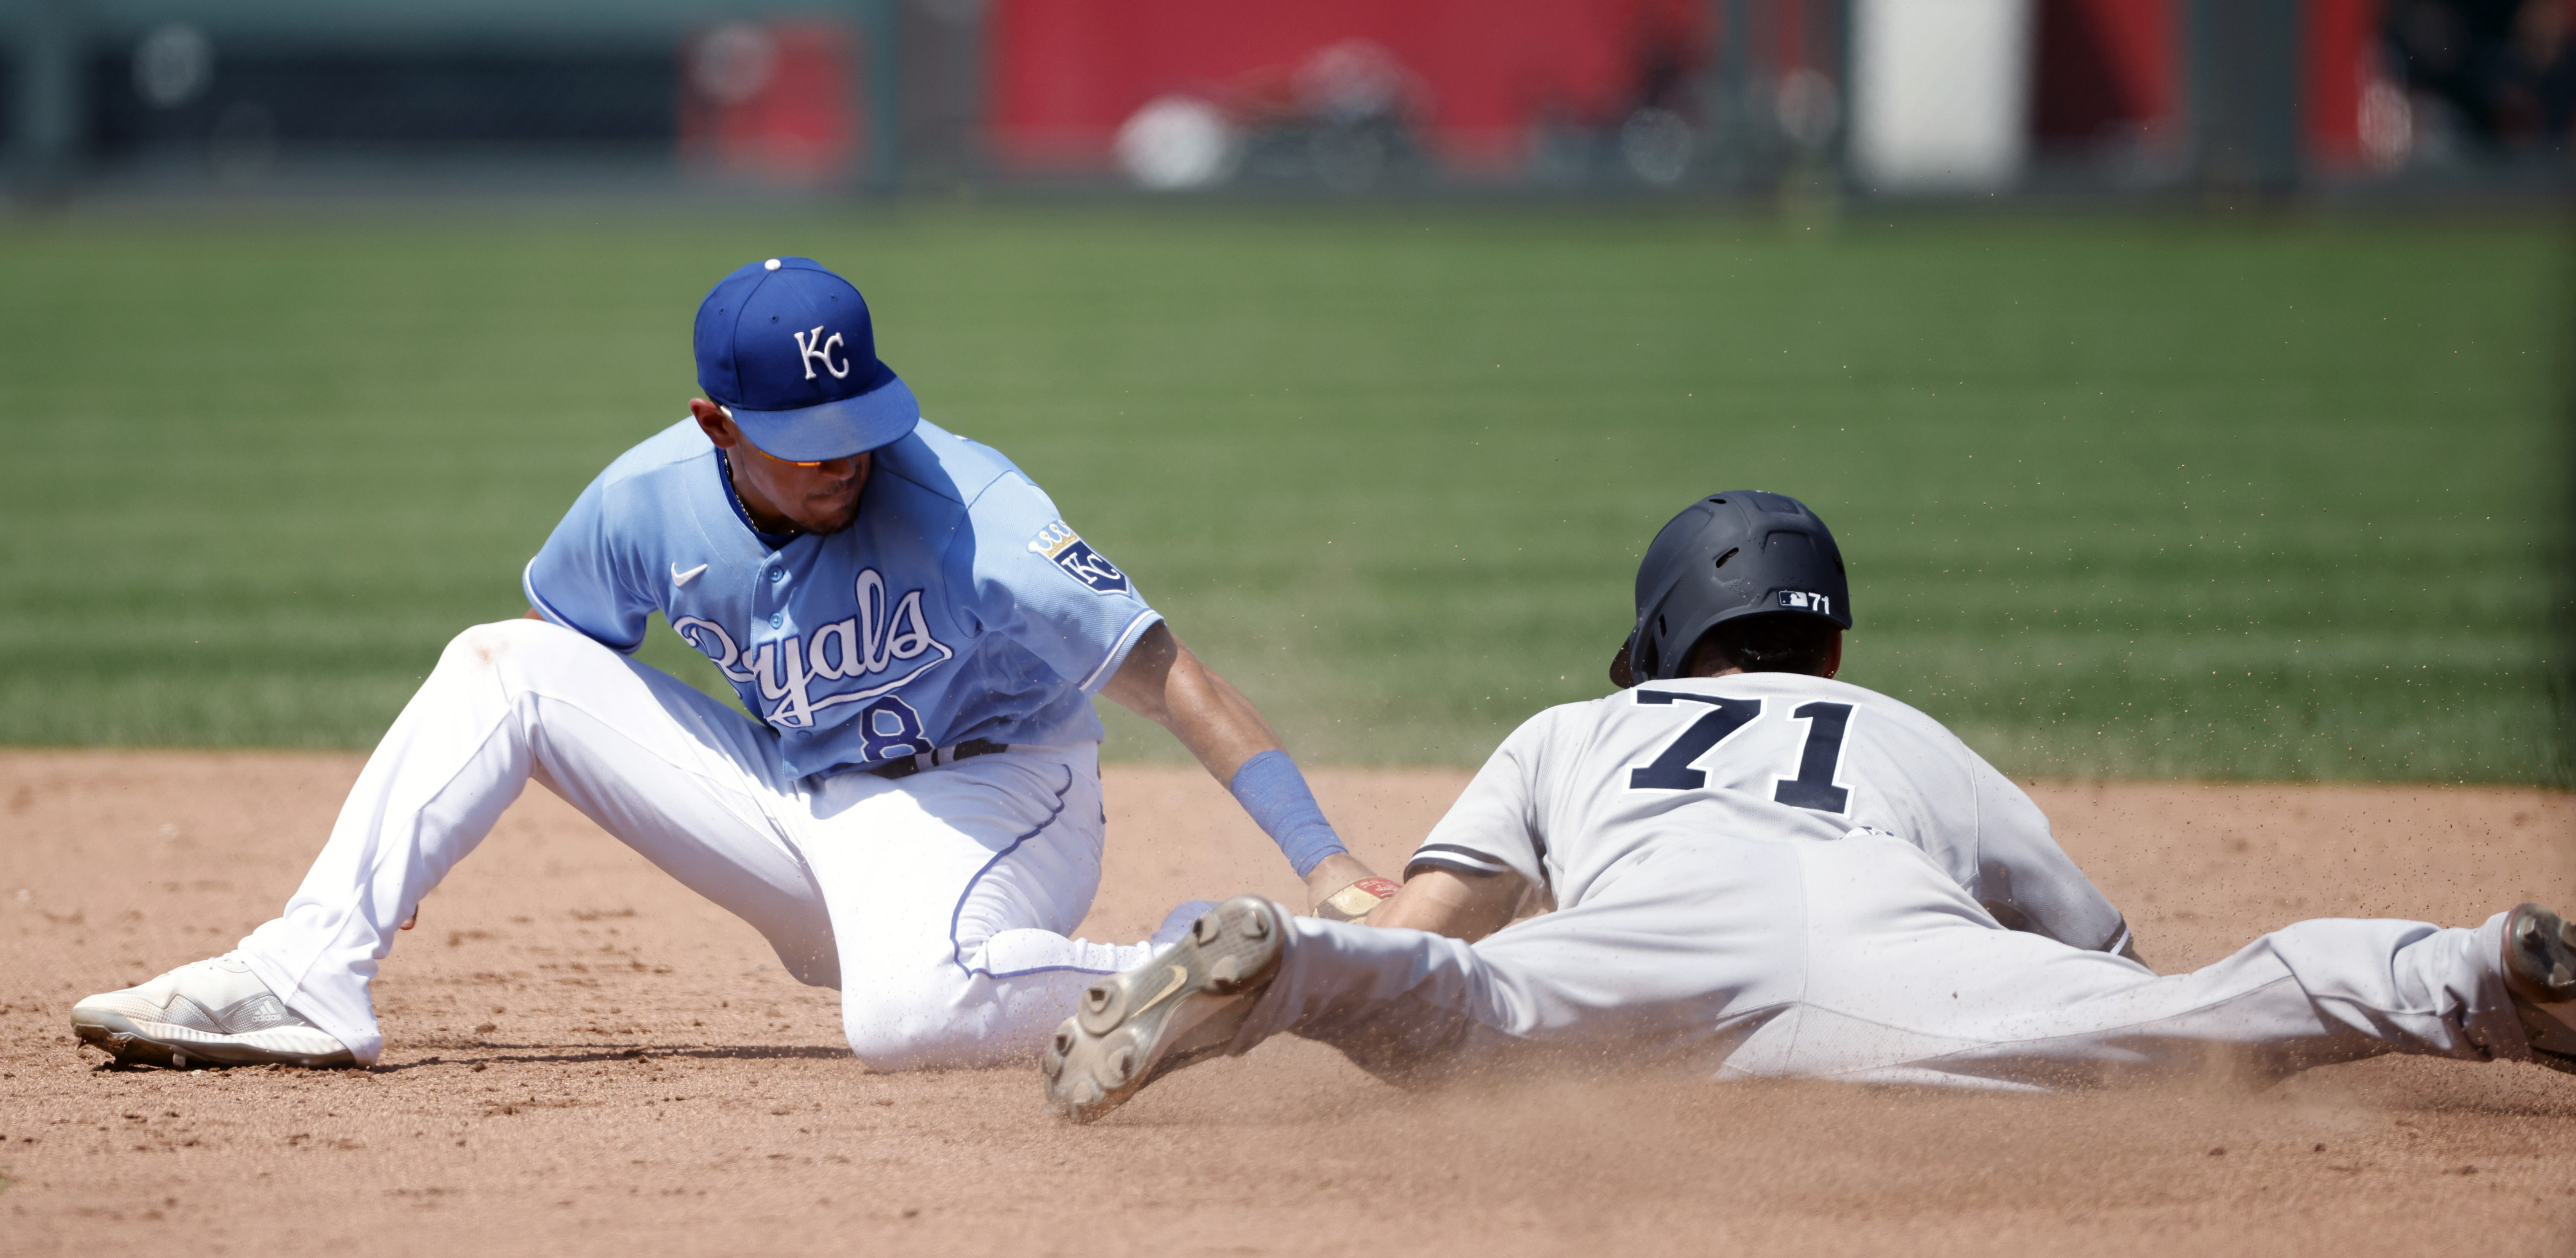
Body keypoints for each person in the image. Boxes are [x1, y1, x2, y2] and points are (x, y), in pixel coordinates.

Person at [70, 256, 1392, 1072]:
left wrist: (1329, 862)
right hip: (796, 797)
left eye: (857, 424)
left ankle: (1230, 966)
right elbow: (558, 663)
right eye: (802, 436)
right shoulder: (642, 501)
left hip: (990, 793)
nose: (842, 457)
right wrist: (413, 830)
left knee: (902, 1023)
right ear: (714, 422)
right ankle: (310, 971)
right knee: (497, 664)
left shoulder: (975, 513)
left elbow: (1171, 677)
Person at [1041, 491, 2576, 1121]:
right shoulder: (1901, 730)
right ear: (1824, 645)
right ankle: (2467, 967)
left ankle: (1270, 966)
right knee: (2198, 1019)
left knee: (1455, 1017)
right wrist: (2064, 1021)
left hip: (1643, 955)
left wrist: (1351, 918)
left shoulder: (1577, 726)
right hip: (1902, 951)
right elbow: (2103, 955)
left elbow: (1439, 924)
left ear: (1655, 640)